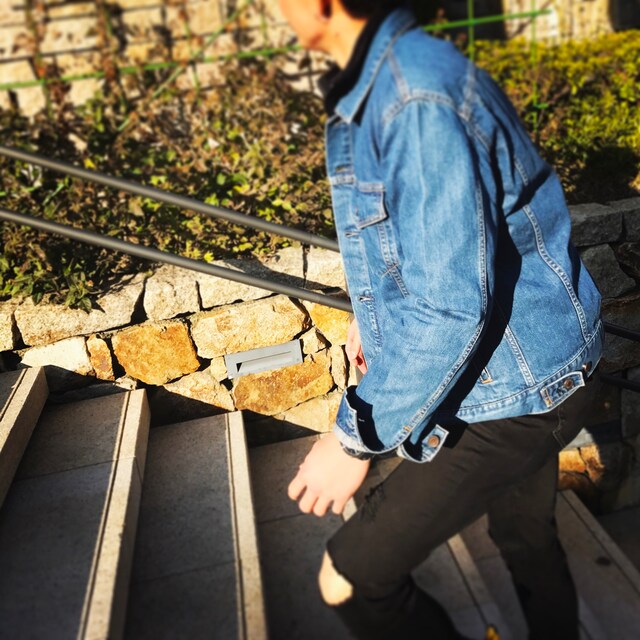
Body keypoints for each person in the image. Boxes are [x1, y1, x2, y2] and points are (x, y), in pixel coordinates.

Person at [283, 1, 604, 639]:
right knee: (526, 536)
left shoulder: (412, 96)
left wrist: (352, 440)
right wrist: (375, 317)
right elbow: (438, 245)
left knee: (349, 577)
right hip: (534, 364)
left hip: (518, 389)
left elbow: (449, 307)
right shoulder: (400, 79)